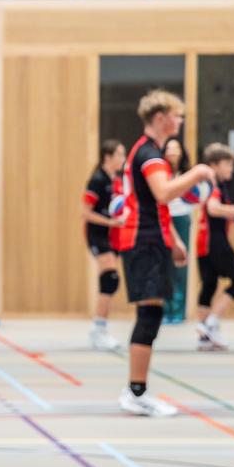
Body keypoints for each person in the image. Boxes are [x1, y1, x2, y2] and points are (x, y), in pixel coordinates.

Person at [114, 90, 215, 417]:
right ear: (160, 118)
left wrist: (174, 239)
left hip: (152, 239)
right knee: (149, 315)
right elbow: (163, 193)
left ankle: (137, 390)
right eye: (177, 115)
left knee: (152, 314)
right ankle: (136, 392)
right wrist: (198, 172)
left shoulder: (149, 152)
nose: (181, 121)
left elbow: (152, 204)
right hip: (142, 241)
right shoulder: (149, 155)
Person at [195, 143, 234, 351]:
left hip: (205, 241)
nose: (231, 168)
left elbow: (220, 212)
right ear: (213, 165)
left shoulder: (217, 185)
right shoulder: (213, 185)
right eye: (227, 164)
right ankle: (211, 324)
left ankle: (204, 338)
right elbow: (213, 209)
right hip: (215, 241)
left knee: (209, 285)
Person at [81, 139, 126, 350]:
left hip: (113, 236)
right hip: (98, 235)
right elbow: (85, 213)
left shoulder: (117, 180)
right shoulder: (97, 180)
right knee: (110, 278)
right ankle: (98, 331)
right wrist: (110, 222)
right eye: (119, 155)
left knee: (110, 281)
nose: (123, 159)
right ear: (108, 157)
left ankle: (99, 328)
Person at [162, 136, 193, 324]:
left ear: (181, 152)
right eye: (169, 148)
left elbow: (198, 195)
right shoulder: (160, 172)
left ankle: (178, 311)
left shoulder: (187, 174)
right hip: (164, 218)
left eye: (176, 148)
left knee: (180, 265)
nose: (172, 151)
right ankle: (164, 309)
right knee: (164, 264)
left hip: (181, 217)